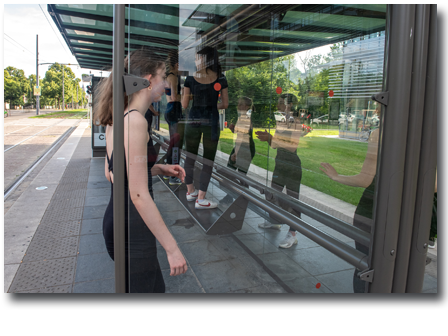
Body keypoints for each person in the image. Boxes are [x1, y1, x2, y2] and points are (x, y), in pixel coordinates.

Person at [96, 49, 188, 293]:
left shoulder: (117, 117)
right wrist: (172, 248)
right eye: (163, 77)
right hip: (133, 230)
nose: (167, 83)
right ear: (148, 80)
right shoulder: (136, 122)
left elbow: (114, 173)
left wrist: (158, 168)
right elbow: (137, 193)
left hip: (117, 222)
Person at [319, 104, 381, 293]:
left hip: (374, 208)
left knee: (364, 264)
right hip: (408, 214)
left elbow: (366, 179)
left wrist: (337, 177)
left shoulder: (380, 133)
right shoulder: (426, 133)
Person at [181, 46, 229, 209]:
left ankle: (190, 191)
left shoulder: (190, 79)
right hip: (211, 122)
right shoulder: (221, 78)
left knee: (190, 157)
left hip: (193, 121)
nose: (195, 60)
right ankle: (201, 198)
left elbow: (184, 104)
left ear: (205, 59)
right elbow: (225, 104)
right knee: (208, 160)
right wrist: (212, 104)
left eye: (197, 57)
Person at [256, 93, 303, 248]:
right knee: (272, 194)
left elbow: (292, 146)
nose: (277, 106)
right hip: (280, 163)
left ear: (289, 105)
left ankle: (293, 234)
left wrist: (272, 138)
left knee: (292, 200)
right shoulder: (281, 121)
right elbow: (275, 145)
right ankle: (275, 222)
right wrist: (268, 138)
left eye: (281, 103)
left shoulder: (296, 121)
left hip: (292, 166)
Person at [163, 51, 185, 185]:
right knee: (177, 144)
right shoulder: (174, 78)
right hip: (175, 110)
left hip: (169, 110)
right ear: (177, 65)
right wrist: (189, 96)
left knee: (173, 143)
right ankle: (174, 175)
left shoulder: (167, 77)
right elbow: (175, 97)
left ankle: (168, 171)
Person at [227, 96, 255, 176]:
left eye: (241, 104)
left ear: (247, 107)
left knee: (231, 174)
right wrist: (233, 129)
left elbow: (241, 137)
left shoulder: (244, 119)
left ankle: (242, 187)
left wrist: (235, 153)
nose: (238, 106)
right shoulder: (243, 117)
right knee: (240, 175)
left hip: (244, 148)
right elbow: (240, 133)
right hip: (245, 147)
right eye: (238, 104)